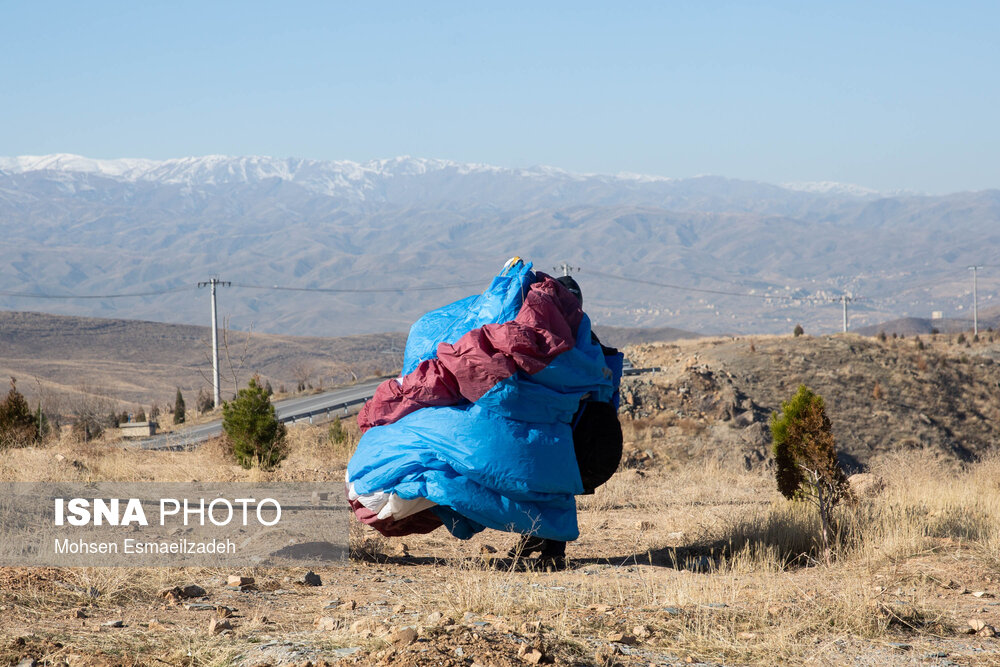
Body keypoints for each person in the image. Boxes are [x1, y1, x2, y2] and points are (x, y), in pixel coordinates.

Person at [507, 275, 624, 570]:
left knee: (556, 484)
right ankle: (534, 538)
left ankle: (553, 550)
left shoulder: (580, 340)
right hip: (563, 423)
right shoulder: (572, 337)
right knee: (542, 482)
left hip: (580, 426)